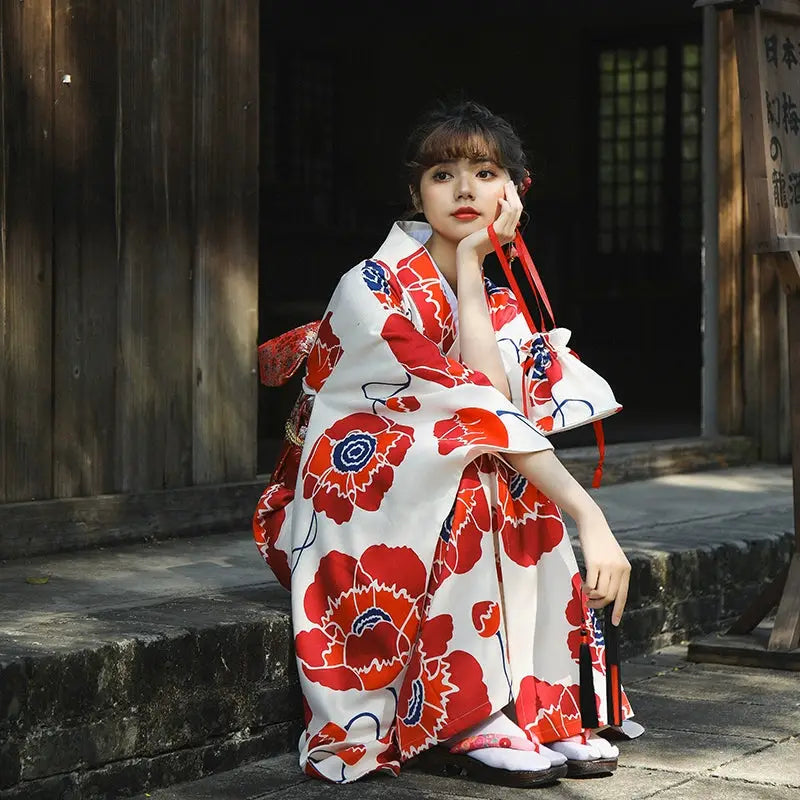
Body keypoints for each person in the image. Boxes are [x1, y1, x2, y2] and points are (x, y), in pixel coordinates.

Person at [253, 99, 635, 788]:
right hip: (354, 491)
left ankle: (539, 703)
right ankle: (469, 714)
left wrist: (470, 267)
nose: (465, 190)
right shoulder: (369, 286)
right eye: (442, 173)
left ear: (515, 190)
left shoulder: (498, 294)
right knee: (480, 471)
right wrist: (591, 514)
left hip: (440, 463)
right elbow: (477, 408)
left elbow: (494, 403)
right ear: (414, 191)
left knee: (503, 474)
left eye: (486, 171)